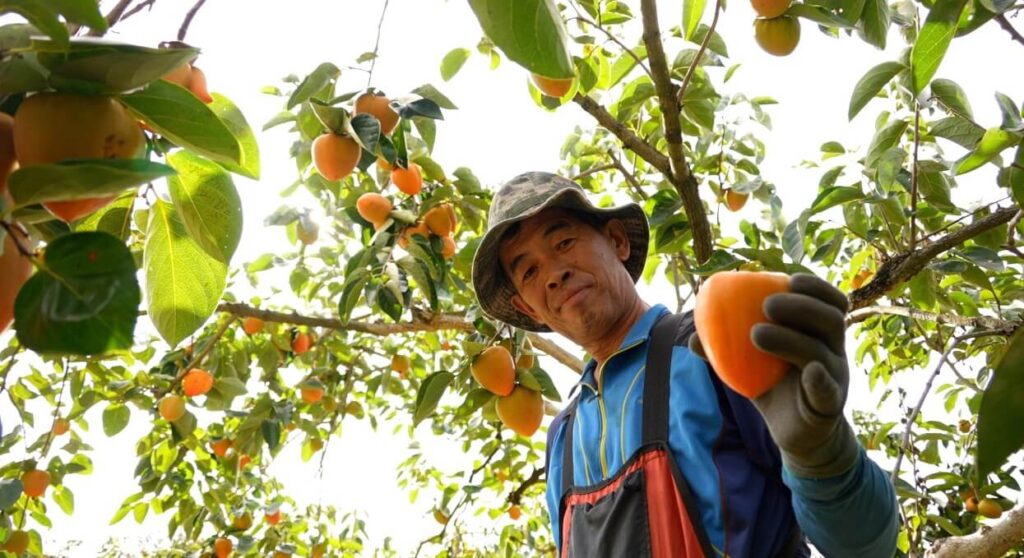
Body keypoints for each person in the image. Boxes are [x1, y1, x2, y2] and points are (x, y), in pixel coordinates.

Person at [470, 172, 898, 557]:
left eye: (563, 242)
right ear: (529, 309)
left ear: (617, 240)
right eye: (529, 272)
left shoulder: (713, 348)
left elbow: (867, 546)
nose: (553, 274)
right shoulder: (562, 437)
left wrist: (823, 458)